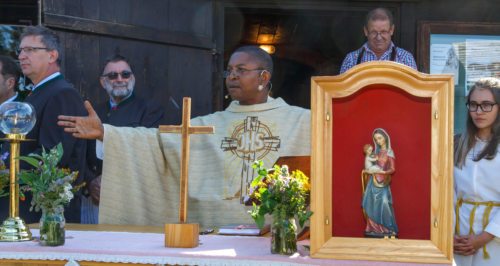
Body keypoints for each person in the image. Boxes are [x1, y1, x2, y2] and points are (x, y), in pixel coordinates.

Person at [58, 45, 310, 228]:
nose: (232, 76)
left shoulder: (301, 120)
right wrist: (106, 133)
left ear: (264, 77)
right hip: (212, 230)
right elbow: (156, 142)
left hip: (273, 231)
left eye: (241, 70)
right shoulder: (209, 124)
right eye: (229, 70)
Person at [12, 25, 88, 223]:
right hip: (27, 209)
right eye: (20, 50)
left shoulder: (62, 94)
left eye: (30, 50)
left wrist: (6, 168)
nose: (21, 56)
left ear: (52, 55)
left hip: (47, 216)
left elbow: (52, 157)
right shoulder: (39, 92)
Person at [82, 55, 165, 224]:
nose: (119, 79)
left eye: (125, 74)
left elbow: (149, 151)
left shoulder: (150, 109)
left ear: (132, 78)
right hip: (95, 197)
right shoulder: (93, 111)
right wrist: (90, 181)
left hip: (131, 195)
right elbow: (79, 151)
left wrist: (112, 178)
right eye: (112, 76)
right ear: (102, 81)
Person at [454, 77, 500, 266]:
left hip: (494, 237)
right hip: (459, 234)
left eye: (486, 105)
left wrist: (484, 237)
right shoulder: (456, 144)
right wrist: (448, 235)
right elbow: (447, 192)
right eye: (473, 105)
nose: (479, 112)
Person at [339, 8, 417, 74]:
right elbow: (343, 91)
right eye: (374, 32)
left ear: (391, 30)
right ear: (366, 31)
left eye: (383, 32)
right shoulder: (351, 60)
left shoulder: (405, 59)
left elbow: (413, 90)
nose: (379, 37)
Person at [362, 128, 398, 238]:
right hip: (372, 183)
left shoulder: (389, 152)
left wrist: (383, 172)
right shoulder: (375, 153)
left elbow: (392, 169)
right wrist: (367, 171)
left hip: (383, 183)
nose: (378, 141)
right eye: (376, 139)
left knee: (384, 203)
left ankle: (387, 229)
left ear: (385, 138)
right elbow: (368, 164)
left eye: (380, 138)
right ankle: (373, 228)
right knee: (371, 205)